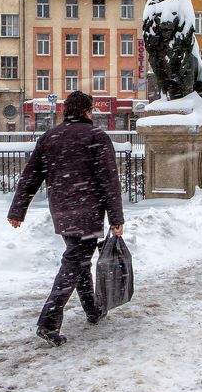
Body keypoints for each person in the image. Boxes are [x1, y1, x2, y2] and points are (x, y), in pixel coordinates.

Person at [7, 90, 125, 347]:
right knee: (74, 263)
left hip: (62, 210)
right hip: (89, 210)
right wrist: (116, 217)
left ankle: (93, 310)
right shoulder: (96, 137)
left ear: (65, 112)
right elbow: (109, 181)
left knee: (79, 260)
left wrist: (18, 210)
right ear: (87, 111)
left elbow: (30, 177)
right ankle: (48, 322)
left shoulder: (50, 137)